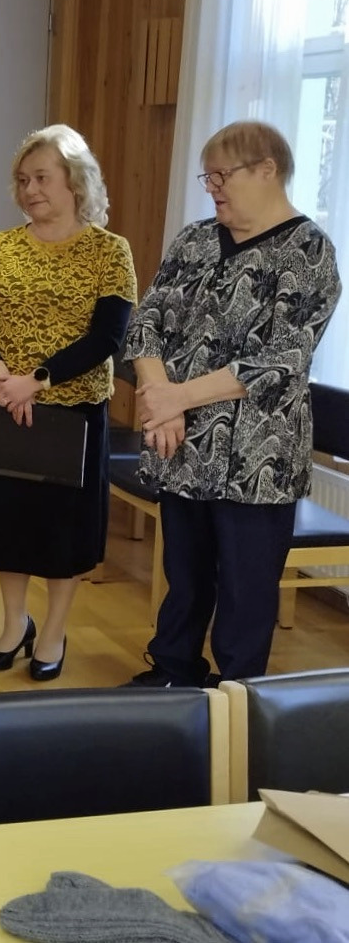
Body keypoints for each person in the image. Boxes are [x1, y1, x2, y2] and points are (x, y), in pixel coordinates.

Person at [122, 120, 340, 687]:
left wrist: (173, 398)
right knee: (185, 575)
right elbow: (146, 322)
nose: (213, 187)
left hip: (257, 460)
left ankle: (239, 699)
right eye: (208, 177)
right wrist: (162, 400)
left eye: (223, 175)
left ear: (268, 169)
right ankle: (173, 673)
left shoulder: (309, 250)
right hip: (181, 444)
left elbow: (280, 359)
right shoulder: (195, 239)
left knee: (246, 591)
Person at [0, 124, 137, 682]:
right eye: (22, 179)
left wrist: (34, 380)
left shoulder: (110, 251)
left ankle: (54, 631)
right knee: (6, 528)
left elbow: (107, 337)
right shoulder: (1, 246)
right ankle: (15, 624)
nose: (29, 189)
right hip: (5, 406)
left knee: (63, 534)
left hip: (72, 413)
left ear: (75, 181)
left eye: (41, 178)